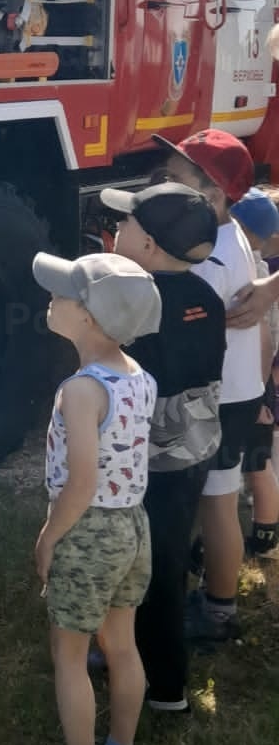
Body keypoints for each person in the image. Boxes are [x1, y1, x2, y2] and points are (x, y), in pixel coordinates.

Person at [30, 252, 160, 745]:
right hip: (133, 525)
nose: (50, 300)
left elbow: (81, 482)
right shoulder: (140, 378)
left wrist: (48, 537)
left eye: (61, 294)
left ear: (87, 316)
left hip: (88, 530)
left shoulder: (82, 390)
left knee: (70, 655)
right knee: (122, 643)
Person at [100, 184, 224, 714]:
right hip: (194, 451)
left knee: (147, 571)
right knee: (169, 557)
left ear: (148, 246)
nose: (117, 231)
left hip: (144, 461)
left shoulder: (135, 301)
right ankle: (135, 660)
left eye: (126, 225)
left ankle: (164, 687)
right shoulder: (206, 297)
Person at [154, 129, 261, 641]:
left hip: (224, 397)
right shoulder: (226, 230)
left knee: (218, 500)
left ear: (212, 195)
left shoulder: (211, 257)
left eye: (175, 180)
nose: (163, 184)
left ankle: (218, 611)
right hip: (234, 390)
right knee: (217, 496)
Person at [229, 187, 279, 558]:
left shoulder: (255, 282)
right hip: (257, 384)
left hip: (256, 387)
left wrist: (262, 394)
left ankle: (265, 534)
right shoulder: (263, 274)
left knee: (257, 465)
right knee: (254, 463)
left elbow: (267, 342)